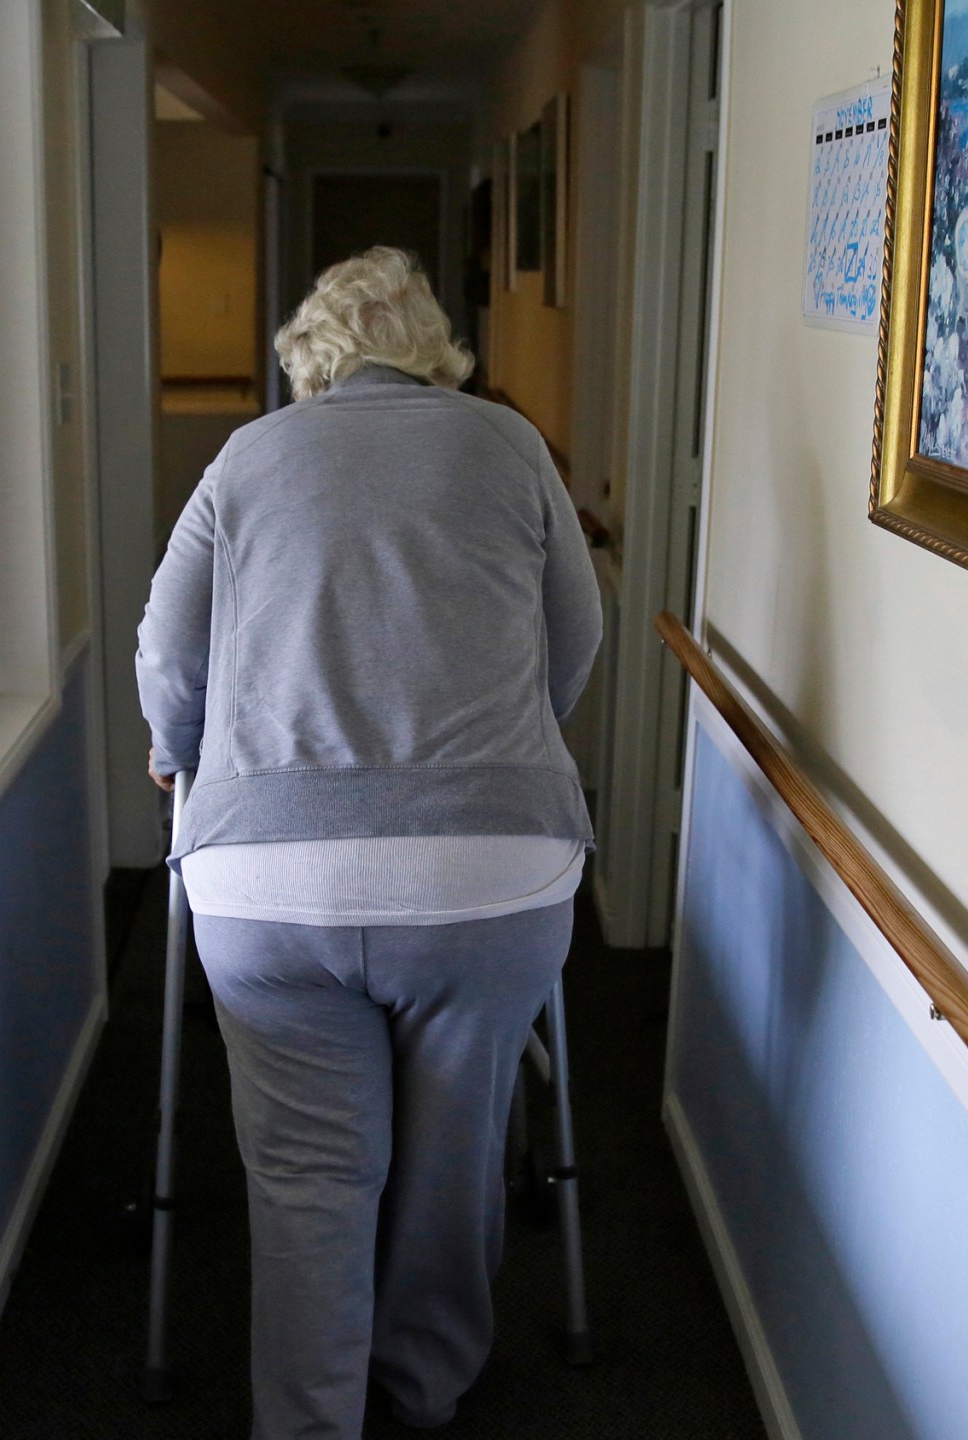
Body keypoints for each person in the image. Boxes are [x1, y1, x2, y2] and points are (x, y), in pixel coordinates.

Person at [136, 246, 601, 1440]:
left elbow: (168, 654)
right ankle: (427, 1386)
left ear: (312, 361)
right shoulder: (504, 443)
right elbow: (574, 638)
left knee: (304, 1181)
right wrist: (495, 746)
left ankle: (310, 1421)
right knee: (451, 1167)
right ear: (434, 347)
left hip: (264, 873)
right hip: (489, 874)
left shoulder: (245, 459)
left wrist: (178, 750)